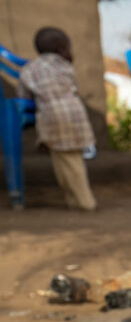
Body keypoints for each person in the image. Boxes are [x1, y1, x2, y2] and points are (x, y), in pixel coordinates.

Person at [18, 27, 97, 211]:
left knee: (62, 162)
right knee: (74, 161)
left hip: (52, 117)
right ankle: (78, 200)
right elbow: (73, 86)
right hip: (76, 115)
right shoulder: (64, 65)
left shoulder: (30, 69)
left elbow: (24, 95)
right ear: (62, 47)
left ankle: (84, 202)